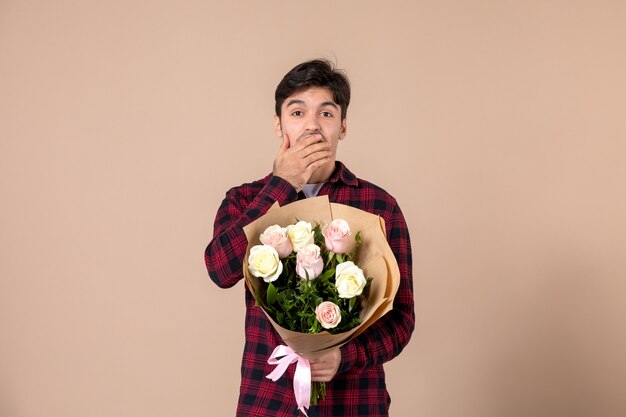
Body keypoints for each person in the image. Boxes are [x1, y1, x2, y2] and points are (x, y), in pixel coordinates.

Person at [205, 59, 415, 417]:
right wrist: (282, 185)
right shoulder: (244, 200)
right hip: (269, 402)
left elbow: (401, 319)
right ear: (278, 125)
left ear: (343, 127)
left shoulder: (380, 206)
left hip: (354, 403)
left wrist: (344, 356)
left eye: (327, 114)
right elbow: (220, 269)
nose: (312, 126)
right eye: (298, 112)